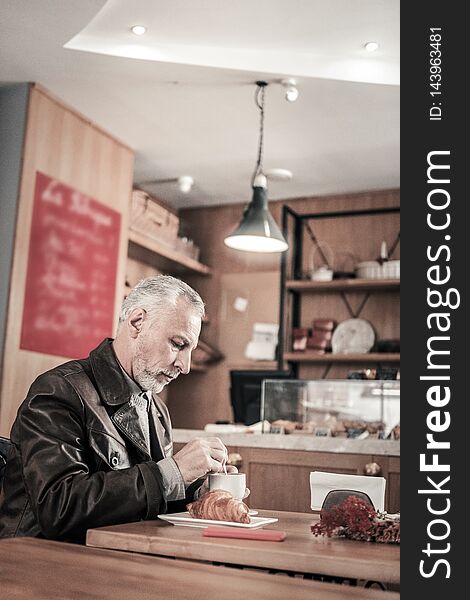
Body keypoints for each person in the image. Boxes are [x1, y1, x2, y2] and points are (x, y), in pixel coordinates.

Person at [0, 275, 237, 542]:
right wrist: (172, 473)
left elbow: (143, 505)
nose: (185, 365)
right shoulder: (58, 390)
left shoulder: (157, 410)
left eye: (190, 350)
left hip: (114, 554)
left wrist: (195, 491)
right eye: (178, 344)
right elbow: (59, 508)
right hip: (42, 561)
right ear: (137, 323)